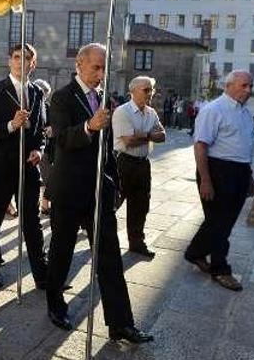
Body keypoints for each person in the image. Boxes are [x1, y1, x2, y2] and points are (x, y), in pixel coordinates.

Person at [44, 43, 153, 344]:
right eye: (96, 67)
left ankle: (121, 324)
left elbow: (107, 149)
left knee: (109, 258)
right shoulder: (62, 98)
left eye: (104, 68)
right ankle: (55, 304)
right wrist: (89, 127)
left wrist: (113, 182)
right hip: (68, 190)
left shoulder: (106, 98)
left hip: (99, 191)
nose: (101, 74)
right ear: (79, 64)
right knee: (61, 252)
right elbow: (62, 140)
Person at [0, 43, 48, 289]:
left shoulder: (38, 93)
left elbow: (40, 132)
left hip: (29, 168)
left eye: (27, 58)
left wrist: (38, 150)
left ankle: (41, 272)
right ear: (9, 61)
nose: (21, 61)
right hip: (1, 167)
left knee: (32, 220)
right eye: (17, 57)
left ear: (34, 63)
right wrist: (11, 124)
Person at [185, 71, 254, 291]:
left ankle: (194, 252)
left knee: (222, 221)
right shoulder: (213, 110)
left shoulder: (244, 113)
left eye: (250, 86)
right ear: (229, 86)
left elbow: (244, 146)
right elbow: (200, 145)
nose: (249, 90)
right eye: (244, 85)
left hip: (240, 171)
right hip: (218, 170)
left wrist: (249, 176)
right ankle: (220, 268)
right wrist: (206, 179)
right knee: (220, 222)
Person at [111, 76, 166, 259]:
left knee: (141, 204)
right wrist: (150, 135)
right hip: (124, 162)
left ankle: (137, 242)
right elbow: (129, 141)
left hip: (143, 163)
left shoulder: (151, 112)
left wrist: (143, 135)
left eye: (152, 90)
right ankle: (101, 236)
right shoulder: (122, 111)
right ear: (132, 91)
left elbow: (163, 135)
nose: (150, 94)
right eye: (146, 90)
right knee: (115, 201)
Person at [34, 78, 53, 216]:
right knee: (46, 178)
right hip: (37, 148)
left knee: (46, 178)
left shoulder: (46, 106)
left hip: (45, 148)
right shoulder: (30, 104)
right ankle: (43, 205)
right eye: (44, 92)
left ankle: (44, 204)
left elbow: (51, 124)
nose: (45, 95)